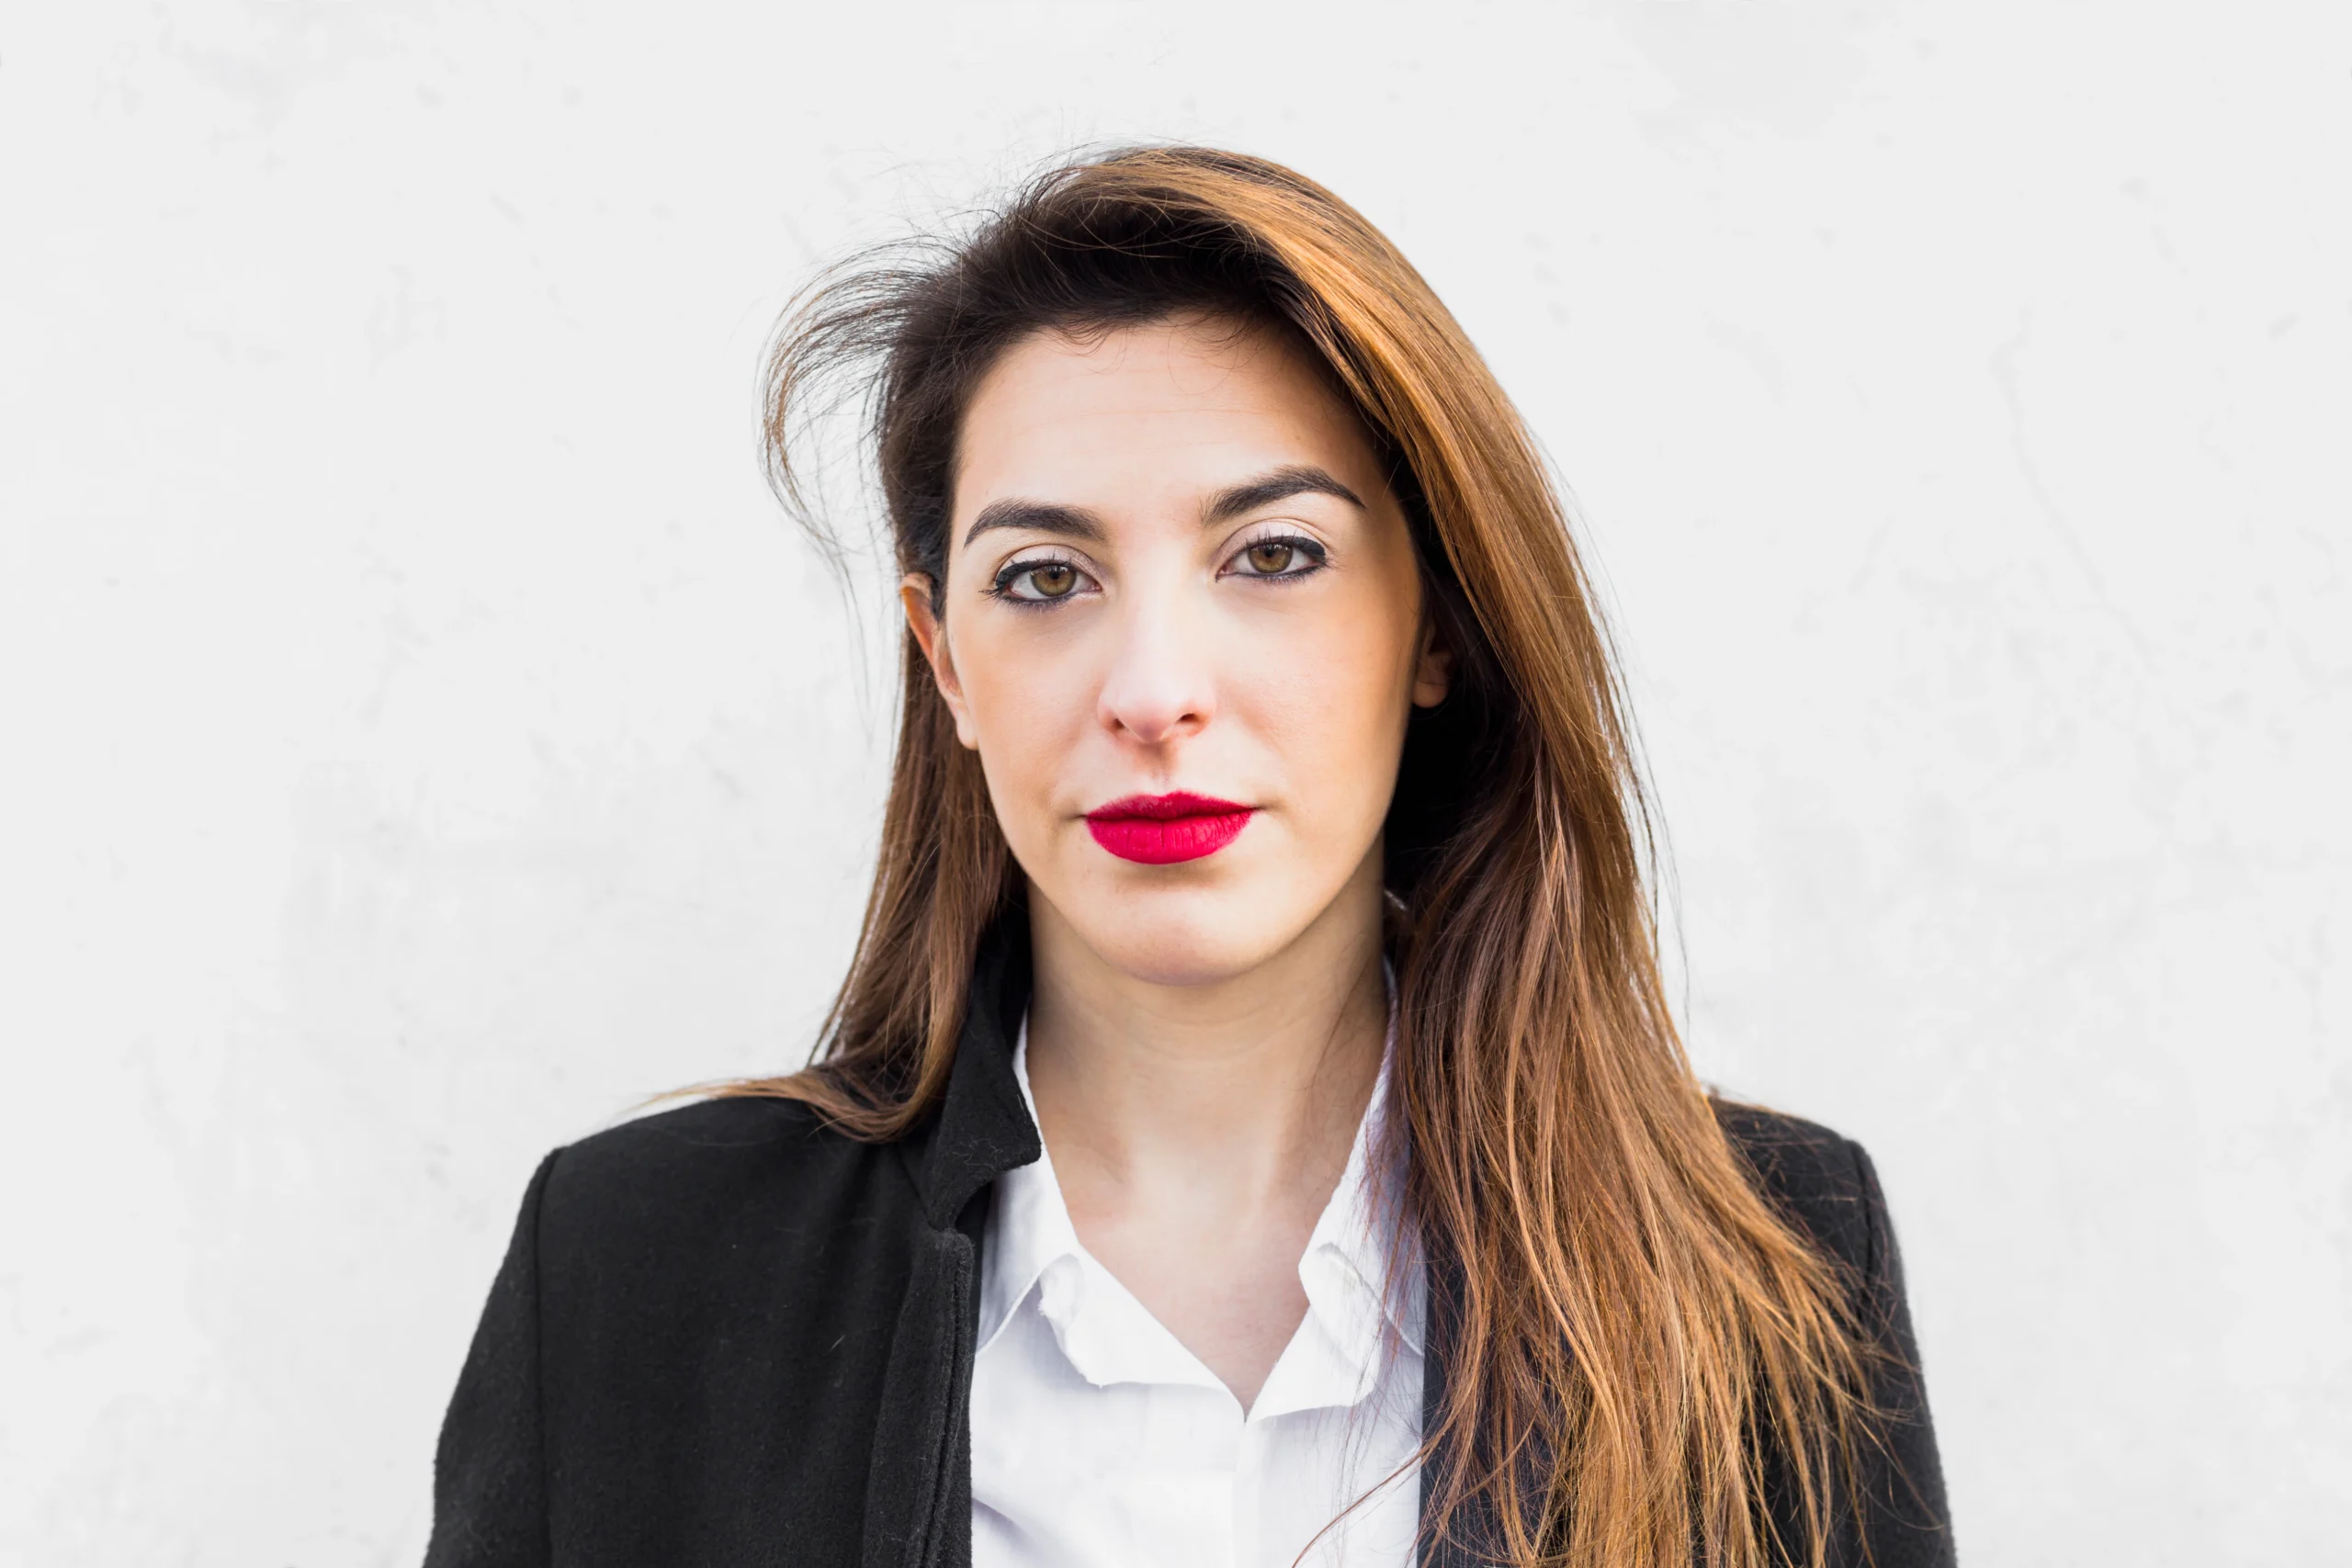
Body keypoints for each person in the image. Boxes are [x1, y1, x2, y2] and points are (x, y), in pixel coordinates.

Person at [423, 146, 1953, 1568]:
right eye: (1043, 577)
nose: (1153, 689)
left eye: (1272, 555)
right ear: (943, 658)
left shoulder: (1771, 1272)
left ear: (1437, 623)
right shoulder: (640, 1270)